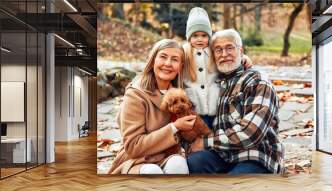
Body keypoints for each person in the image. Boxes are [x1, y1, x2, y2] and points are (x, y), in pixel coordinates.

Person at [187, 29, 284, 174]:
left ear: (241, 50)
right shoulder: (215, 83)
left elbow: (251, 133)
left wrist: (206, 142)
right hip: (223, 155)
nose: (224, 54)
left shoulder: (257, 81)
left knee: (236, 181)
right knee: (195, 162)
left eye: (229, 48)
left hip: (254, 156)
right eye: (218, 50)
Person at [107, 39, 196, 175]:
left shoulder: (180, 94)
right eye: (163, 57)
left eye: (174, 59)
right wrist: (175, 127)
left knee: (179, 164)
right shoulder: (136, 94)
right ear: (153, 59)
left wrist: (240, 59)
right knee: (152, 171)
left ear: (180, 66)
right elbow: (133, 146)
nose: (168, 64)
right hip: (137, 159)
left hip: (166, 156)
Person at [183, 7, 252, 129]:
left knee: (213, 130)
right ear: (189, 37)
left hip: (215, 104)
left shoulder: (213, 51)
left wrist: (244, 57)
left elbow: (226, 57)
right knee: (196, 132)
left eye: (204, 35)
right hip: (193, 104)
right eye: (195, 36)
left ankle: (214, 143)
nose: (199, 39)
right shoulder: (184, 53)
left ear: (209, 36)